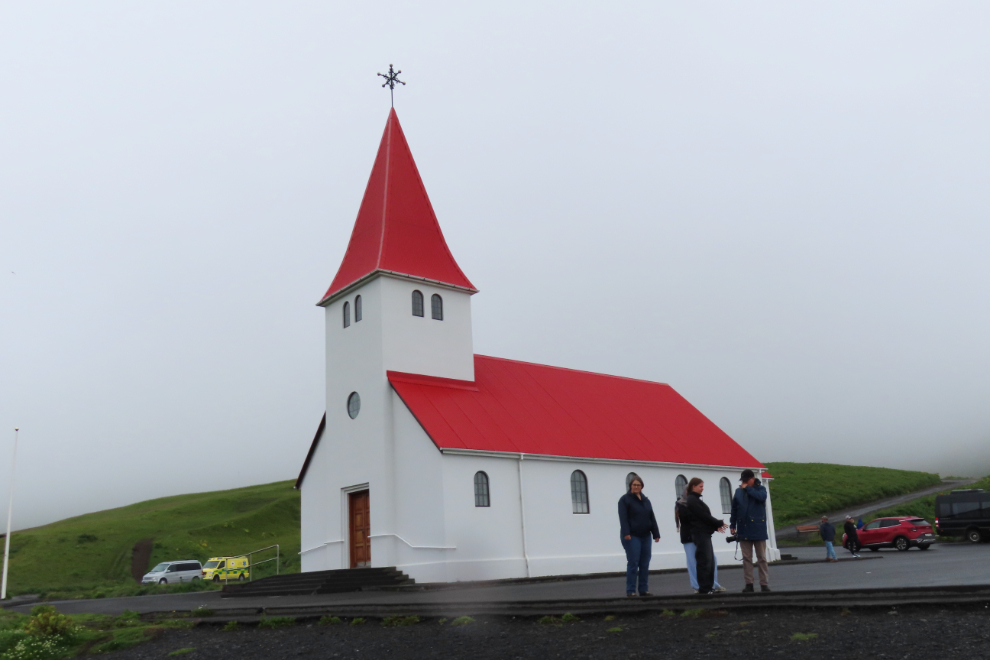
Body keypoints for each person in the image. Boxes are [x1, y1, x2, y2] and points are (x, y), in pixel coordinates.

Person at [618, 474, 660, 597]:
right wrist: (626, 533)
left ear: (642, 486)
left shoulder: (646, 501)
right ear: (630, 486)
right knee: (633, 563)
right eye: (634, 485)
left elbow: (651, 517)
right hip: (632, 536)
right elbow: (623, 518)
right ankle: (631, 591)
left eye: (638, 485)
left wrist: (656, 533)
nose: (636, 487)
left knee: (645, 563)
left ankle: (643, 589)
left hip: (645, 536)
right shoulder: (624, 500)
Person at [683, 477, 728, 595]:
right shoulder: (692, 500)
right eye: (700, 486)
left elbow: (703, 518)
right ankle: (704, 589)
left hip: (704, 533)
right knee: (704, 561)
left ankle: (708, 587)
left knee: (710, 561)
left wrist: (715, 526)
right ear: (693, 487)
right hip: (700, 534)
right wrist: (718, 523)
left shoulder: (695, 500)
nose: (702, 489)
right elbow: (702, 516)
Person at [729, 469, 771, 593]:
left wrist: (748, 489)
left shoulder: (761, 489)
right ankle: (749, 584)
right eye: (743, 481)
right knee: (747, 558)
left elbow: (762, 497)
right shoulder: (738, 492)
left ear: (752, 479)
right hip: (744, 529)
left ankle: (764, 584)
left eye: (746, 480)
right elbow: (734, 509)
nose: (744, 483)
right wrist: (733, 524)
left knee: (762, 558)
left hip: (758, 529)